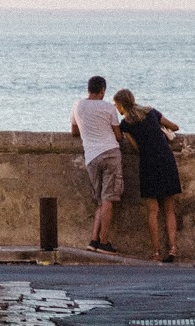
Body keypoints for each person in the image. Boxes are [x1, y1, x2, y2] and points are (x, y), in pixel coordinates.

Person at [112, 88, 182, 262]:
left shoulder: (126, 124)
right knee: (169, 209)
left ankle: (156, 252)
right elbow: (175, 127)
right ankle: (173, 248)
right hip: (166, 159)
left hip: (148, 163)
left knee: (152, 210)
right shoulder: (151, 112)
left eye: (116, 105)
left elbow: (136, 148)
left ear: (121, 105)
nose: (116, 108)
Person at [71, 76, 123, 255]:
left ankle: (93, 240)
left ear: (88, 89)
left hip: (91, 157)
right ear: (102, 90)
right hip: (110, 153)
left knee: (100, 200)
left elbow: (74, 131)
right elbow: (118, 135)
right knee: (108, 198)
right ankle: (104, 241)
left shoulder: (78, 105)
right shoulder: (108, 107)